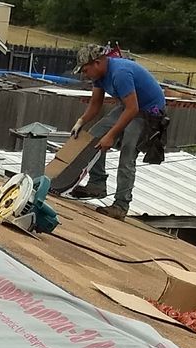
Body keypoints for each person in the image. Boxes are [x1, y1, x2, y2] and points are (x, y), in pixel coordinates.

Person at [65, 43, 169, 219]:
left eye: (85, 70)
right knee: (94, 136)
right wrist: (81, 121)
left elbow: (132, 109)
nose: (84, 74)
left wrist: (111, 136)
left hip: (148, 113)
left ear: (97, 63)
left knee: (128, 152)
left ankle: (121, 205)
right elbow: (96, 103)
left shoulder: (120, 73)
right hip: (130, 107)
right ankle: (97, 184)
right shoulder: (99, 76)